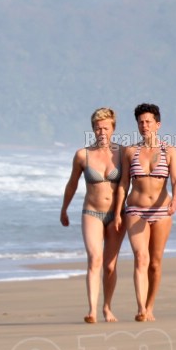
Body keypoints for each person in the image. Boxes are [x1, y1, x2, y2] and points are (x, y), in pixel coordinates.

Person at [113, 102, 176, 322]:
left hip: (162, 211)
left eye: (148, 122)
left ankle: (150, 306)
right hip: (135, 210)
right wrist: (117, 211)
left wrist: (175, 201)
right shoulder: (130, 151)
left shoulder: (169, 151)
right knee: (140, 257)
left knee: (155, 261)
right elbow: (124, 183)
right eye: (140, 122)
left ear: (157, 124)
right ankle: (141, 307)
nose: (144, 126)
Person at [60, 107, 125, 323]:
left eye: (106, 127)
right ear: (93, 130)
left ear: (113, 129)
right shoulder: (82, 155)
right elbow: (71, 185)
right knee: (95, 259)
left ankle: (107, 307)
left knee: (109, 265)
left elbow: (137, 180)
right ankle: (92, 310)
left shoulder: (123, 154)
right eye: (98, 128)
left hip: (117, 215)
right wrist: (64, 209)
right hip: (92, 212)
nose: (102, 132)